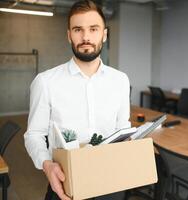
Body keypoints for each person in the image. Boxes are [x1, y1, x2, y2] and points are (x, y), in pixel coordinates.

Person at [24, 1, 130, 199]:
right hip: (65, 186)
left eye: (93, 29)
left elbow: (122, 129)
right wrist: (47, 165)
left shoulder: (121, 81)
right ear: (68, 35)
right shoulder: (46, 82)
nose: (86, 37)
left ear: (104, 34)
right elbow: (34, 135)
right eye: (78, 29)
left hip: (111, 185)